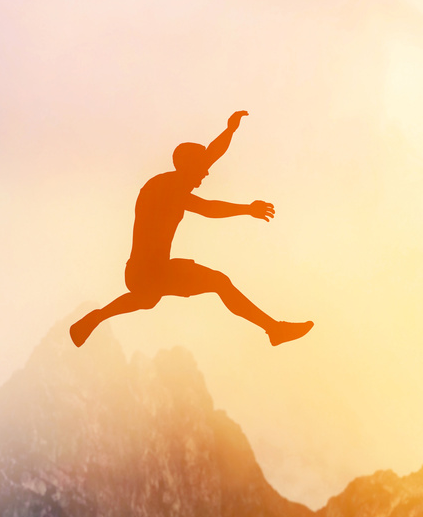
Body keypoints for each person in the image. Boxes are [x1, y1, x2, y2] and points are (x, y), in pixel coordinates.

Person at [70, 111, 313, 348]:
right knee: (217, 283)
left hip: (148, 272)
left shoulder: (176, 182)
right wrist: (247, 209)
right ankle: (274, 329)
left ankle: (95, 318)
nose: (206, 173)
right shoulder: (166, 188)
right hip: (148, 272)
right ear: (187, 166)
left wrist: (229, 130)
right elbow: (207, 208)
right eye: (201, 168)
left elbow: (211, 155)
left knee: (148, 298)